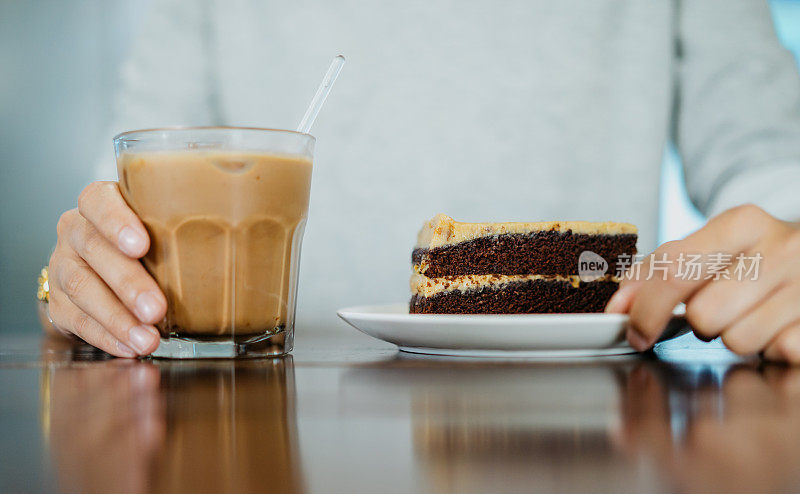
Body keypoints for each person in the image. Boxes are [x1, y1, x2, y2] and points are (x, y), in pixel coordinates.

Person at [44, 0, 800, 360]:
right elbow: (125, 195)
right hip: (259, 429)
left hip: (595, 419)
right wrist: (83, 277)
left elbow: (769, 152)